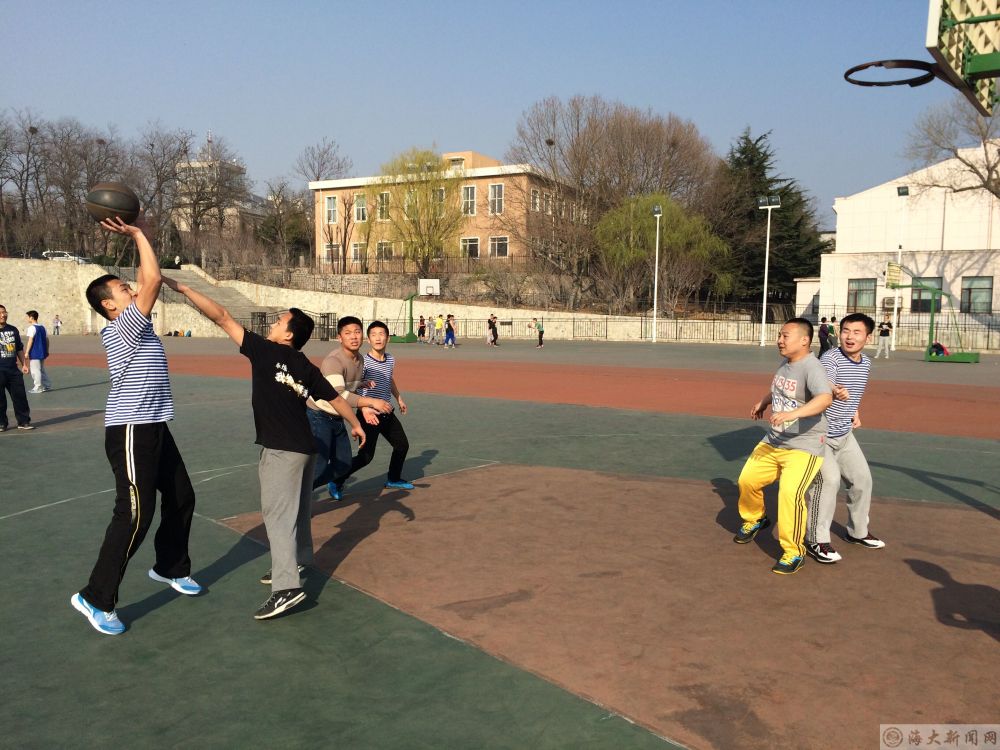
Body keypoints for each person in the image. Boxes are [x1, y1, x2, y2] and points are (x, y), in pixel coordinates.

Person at [162, 276, 367, 620]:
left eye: (279, 320)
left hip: (282, 451)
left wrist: (184, 289)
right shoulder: (304, 365)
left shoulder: (264, 350)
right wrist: (355, 423)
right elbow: (334, 398)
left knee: (277, 516)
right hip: (305, 449)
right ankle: (299, 561)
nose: (273, 323)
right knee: (297, 512)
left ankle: (286, 589)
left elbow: (222, 316)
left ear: (288, 335)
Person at [72, 218, 198, 636]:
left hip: (155, 425)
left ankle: (170, 567)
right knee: (134, 515)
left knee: (181, 496)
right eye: (123, 289)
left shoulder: (137, 323)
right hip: (131, 429)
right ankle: (95, 597)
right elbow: (154, 280)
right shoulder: (121, 328)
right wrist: (139, 235)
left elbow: (147, 279)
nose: (132, 290)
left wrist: (141, 237)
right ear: (110, 305)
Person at [733, 318, 832, 575]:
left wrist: (793, 414)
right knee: (747, 480)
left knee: (790, 494)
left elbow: (824, 398)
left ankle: (794, 552)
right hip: (774, 440)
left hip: (804, 446)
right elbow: (779, 391)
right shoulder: (787, 363)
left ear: (804, 340)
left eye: (785, 336)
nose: (779, 340)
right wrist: (764, 402)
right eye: (780, 335)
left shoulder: (812, 367)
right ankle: (755, 518)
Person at [805, 313, 884, 565]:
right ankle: (816, 540)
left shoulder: (866, 363)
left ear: (868, 337)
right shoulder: (831, 357)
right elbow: (824, 380)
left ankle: (857, 533)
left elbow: (856, 392)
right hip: (820, 435)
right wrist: (833, 390)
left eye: (856, 332)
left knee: (862, 480)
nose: (849, 337)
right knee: (828, 482)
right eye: (846, 331)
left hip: (844, 433)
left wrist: (854, 411)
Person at [308, 316, 391, 503]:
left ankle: (304, 489)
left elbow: (347, 386)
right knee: (319, 466)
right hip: (318, 415)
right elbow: (337, 394)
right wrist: (371, 402)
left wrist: (361, 384)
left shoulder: (359, 359)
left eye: (357, 332)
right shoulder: (333, 361)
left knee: (344, 464)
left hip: (338, 416)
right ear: (339, 337)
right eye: (347, 333)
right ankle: (298, 497)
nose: (353, 336)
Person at [341, 320, 413, 491]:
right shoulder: (363, 362)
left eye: (381, 334)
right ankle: (336, 480)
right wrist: (364, 409)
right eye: (373, 335)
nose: (378, 338)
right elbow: (353, 389)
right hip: (368, 415)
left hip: (386, 411)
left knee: (402, 445)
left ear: (388, 338)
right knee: (365, 457)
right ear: (368, 340)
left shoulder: (390, 359)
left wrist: (399, 398)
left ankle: (393, 479)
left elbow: (389, 379)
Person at [0, 304, 33, 432]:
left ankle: (23, 421)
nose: (3, 315)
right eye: (0, 313)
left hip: (13, 370)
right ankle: (1, 423)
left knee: (20, 397)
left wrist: (24, 364)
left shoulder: (13, 330)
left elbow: (19, 348)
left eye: (4, 312)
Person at [23, 310, 52, 393]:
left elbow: (30, 340)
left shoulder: (31, 328)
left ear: (31, 318)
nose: (27, 319)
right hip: (42, 352)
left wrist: (27, 352)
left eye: (28, 317)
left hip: (35, 352)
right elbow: (47, 340)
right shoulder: (43, 327)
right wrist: (47, 350)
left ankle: (38, 387)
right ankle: (47, 385)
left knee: (35, 370)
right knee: (41, 369)